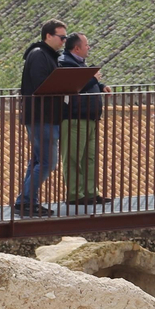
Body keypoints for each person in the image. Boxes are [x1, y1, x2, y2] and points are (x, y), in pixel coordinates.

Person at [14, 18, 67, 216]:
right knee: (47, 162)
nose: (64, 41)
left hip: (45, 116)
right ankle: (25, 201)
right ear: (48, 36)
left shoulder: (47, 55)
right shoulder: (39, 55)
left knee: (39, 160)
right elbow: (40, 85)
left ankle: (27, 201)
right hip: (41, 116)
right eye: (61, 37)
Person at [59, 32, 110, 207]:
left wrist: (100, 86)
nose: (88, 48)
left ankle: (90, 192)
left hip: (90, 117)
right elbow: (73, 86)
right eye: (86, 45)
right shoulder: (64, 64)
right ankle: (74, 194)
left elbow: (84, 83)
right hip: (74, 117)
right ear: (77, 48)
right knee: (73, 157)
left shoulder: (79, 64)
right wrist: (92, 80)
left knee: (89, 157)